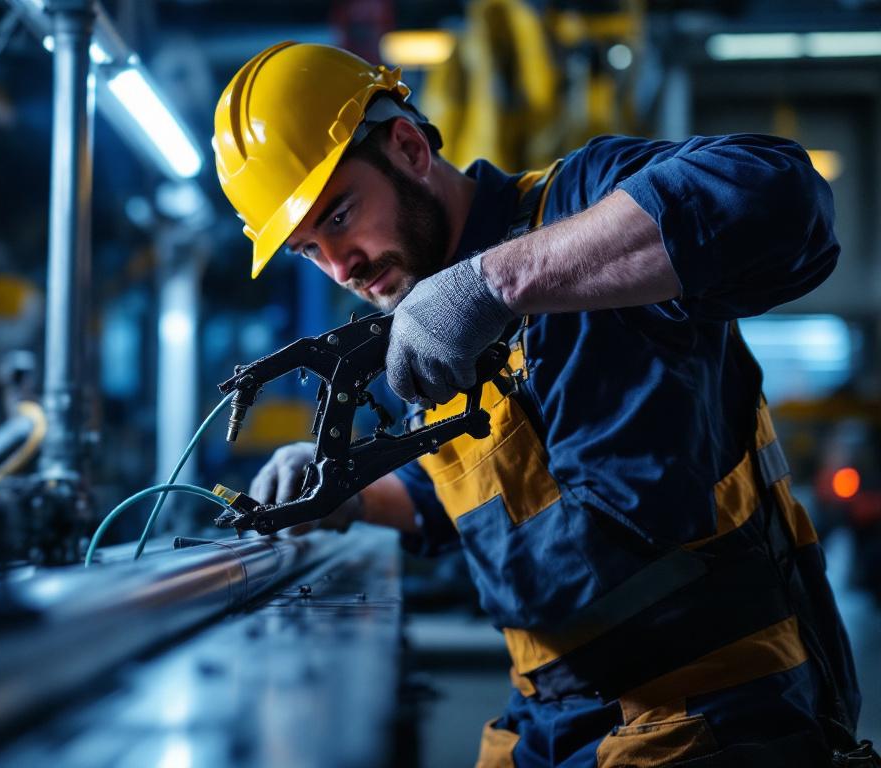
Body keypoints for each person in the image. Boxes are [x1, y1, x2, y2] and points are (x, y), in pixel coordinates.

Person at [212, 41, 869, 766]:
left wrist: (497, 282)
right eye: (308, 249)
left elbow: (784, 196)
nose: (342, 267)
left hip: (714, 713)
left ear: (407, 147)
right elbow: (472, 497)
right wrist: (345, 493)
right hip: (551, 721)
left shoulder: (581, 203)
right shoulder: (423, 328)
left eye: (338, 216)